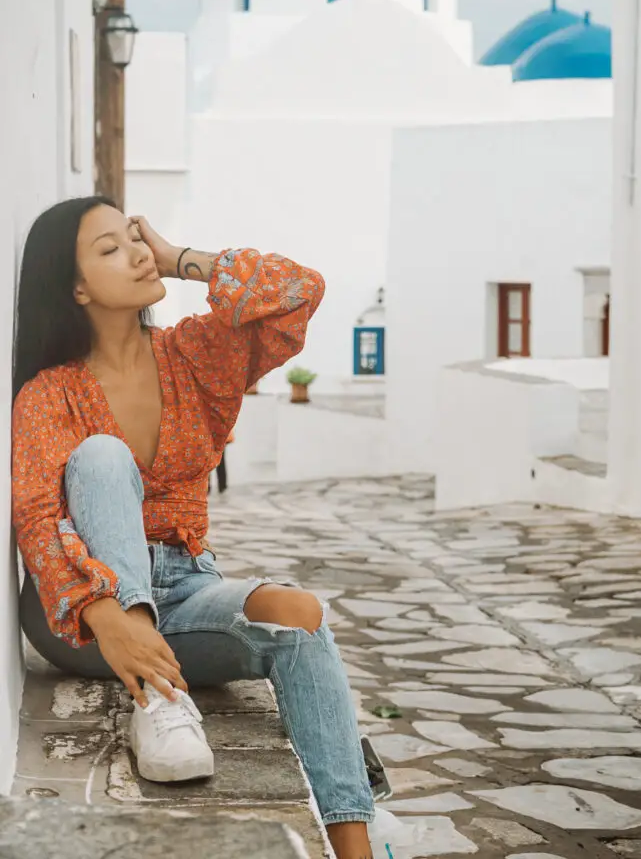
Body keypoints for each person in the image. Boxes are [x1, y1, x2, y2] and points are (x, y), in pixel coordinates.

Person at [11, 198, 378, 859]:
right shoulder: (49, 393)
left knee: (300, 616)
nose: (138, 252)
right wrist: (107, 612)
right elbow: (35, 521)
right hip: (79, 616)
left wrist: (183, 259)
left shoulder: (193, 356)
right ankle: (158, 704)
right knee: (101, 456)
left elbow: (301, 291)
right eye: (111, 249)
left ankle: (355, 844)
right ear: (76, 288)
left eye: (137, 237)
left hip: (184, 590)